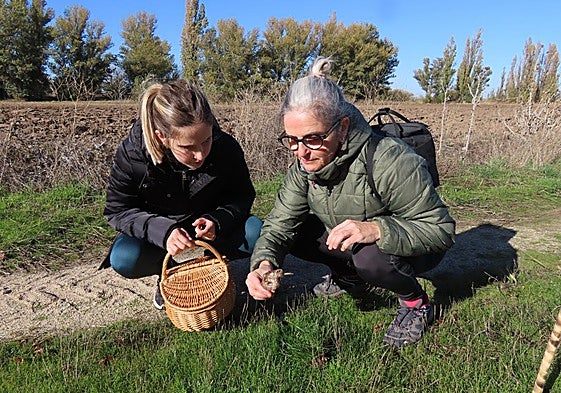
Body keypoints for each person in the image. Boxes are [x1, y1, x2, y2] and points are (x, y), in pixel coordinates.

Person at [245, 57, 455, 349]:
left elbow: (441, 230)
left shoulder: (388, 159)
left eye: (313, 139)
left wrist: (377, 229)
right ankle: (349, 277)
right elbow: (279, 225)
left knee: (369, 255)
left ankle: (414, 301)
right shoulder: (303, 168)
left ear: (342, 128)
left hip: (411, 248)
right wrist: (263, 264)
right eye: (291, 140)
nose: (301, 153)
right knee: (298, 231)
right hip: (354, 241)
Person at [101, 79, 262, 310]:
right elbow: (118, 210)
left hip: (208, 228)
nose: (200, 155)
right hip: (161, 233)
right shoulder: (132, 155)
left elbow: (242, 195)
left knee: (258, 233)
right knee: (125, 258)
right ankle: (168, 275)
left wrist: (218, 220)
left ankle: (210, 267)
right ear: (161, 137)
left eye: (206, 141)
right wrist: (163, 232)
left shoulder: (226, 146)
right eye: (187, 148)